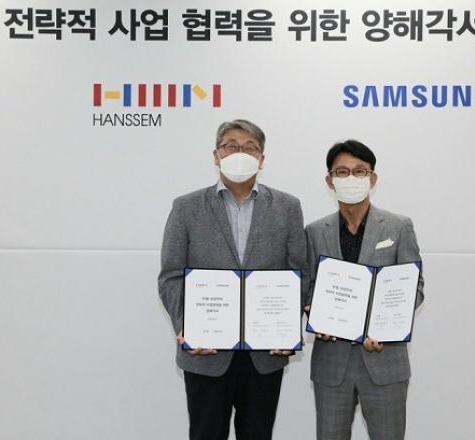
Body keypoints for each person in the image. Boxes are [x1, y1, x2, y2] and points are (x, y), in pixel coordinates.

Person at [157, 119, 307, 440]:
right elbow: (171, 275)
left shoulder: (288, 207)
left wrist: (287, 327)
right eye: (231, 146)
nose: (240, 153)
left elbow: (299, 274)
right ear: (216, 155)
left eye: (250, 148)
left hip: (264, 355)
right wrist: (187, 326)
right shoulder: (185, 207)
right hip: (206, 353)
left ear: (262, 159)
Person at [305, 139, 425, 440]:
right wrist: (313, 312)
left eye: (360, 171)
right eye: (342, 172)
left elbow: (415, 287)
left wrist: (385, 327)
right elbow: (307, 287)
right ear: (330, 181)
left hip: (385, 361)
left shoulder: (398, 227)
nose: (351, 178)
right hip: (332, 364)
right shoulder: (315, 232)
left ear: (372, 178)